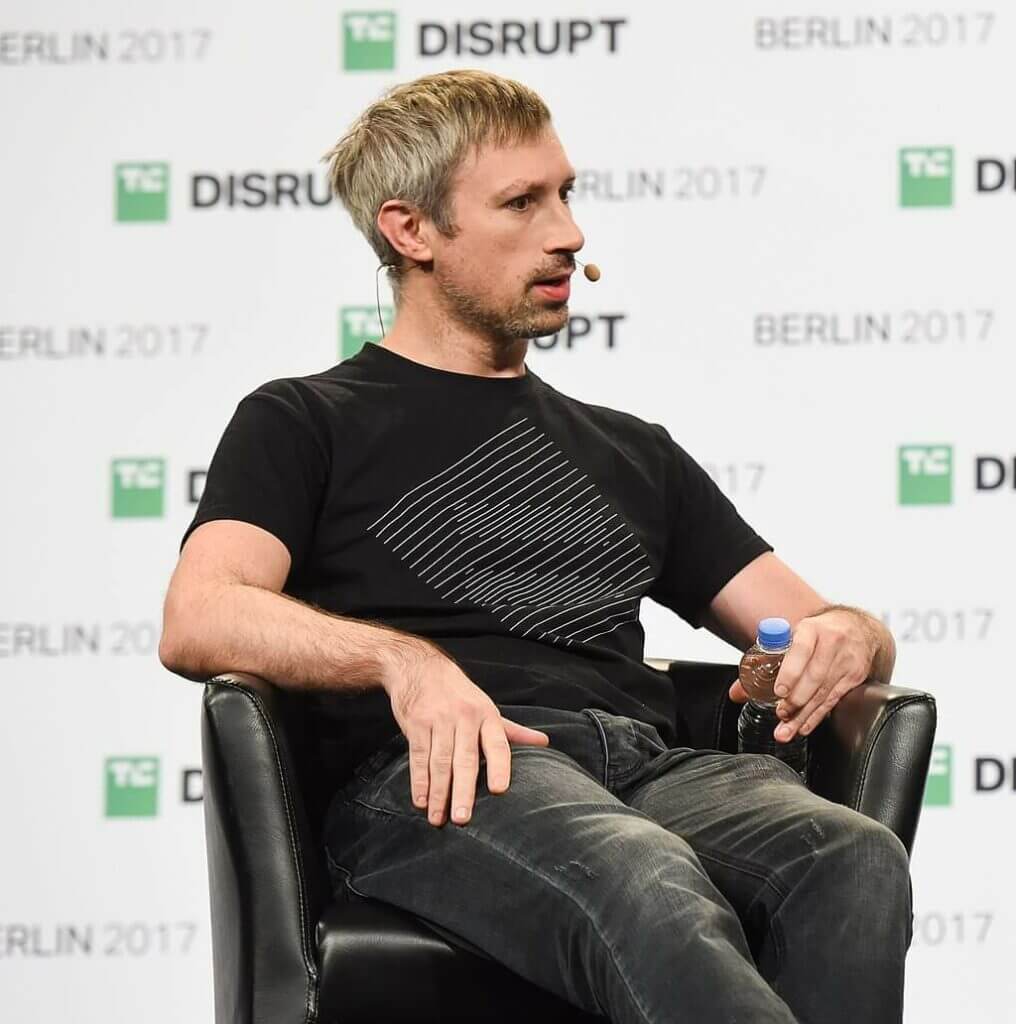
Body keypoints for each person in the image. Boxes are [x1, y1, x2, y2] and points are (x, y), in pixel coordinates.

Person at [159, 69, 912, 1024]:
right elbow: (199, 614)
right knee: (643, 877)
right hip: (450, 780)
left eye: (565, 193)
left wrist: (846, 632)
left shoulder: (632, 449)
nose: (569, 231)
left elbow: (818, 623)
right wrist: (403, 661)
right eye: (522, 203)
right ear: (411, 231)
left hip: (650, 768)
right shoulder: (303, 420)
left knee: (848, 856)